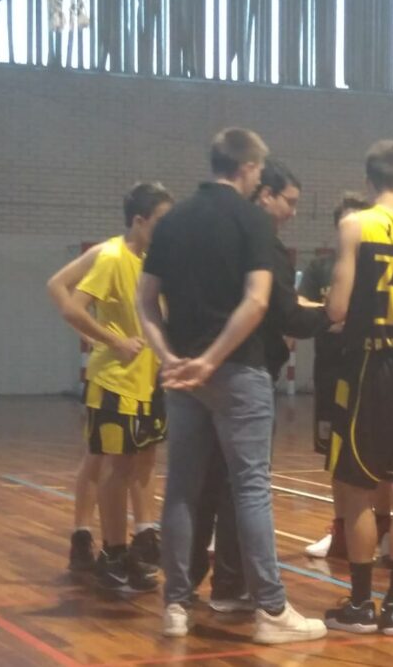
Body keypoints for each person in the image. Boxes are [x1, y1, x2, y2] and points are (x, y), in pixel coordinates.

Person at [138, 127, 326, 644]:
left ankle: (176, 605)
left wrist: (172, 358)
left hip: (182, 374)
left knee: (182, 488)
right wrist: (213, 359)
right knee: (250, 489)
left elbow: (145, 300)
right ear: (248, 167)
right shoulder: (252, 220)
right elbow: (258, 302)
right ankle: (271, 610)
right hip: (238, 370)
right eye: (260, 170)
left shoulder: (172, 220)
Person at [191, 157, 331, 613]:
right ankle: (245, 590)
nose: (293, 211)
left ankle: (184, 587)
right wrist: (331, 315)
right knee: (247, 488)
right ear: (264, 193)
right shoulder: (261, 244)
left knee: (201, 485)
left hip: (197, 372)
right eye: (289, 201)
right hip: (243, 374)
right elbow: (283, 314)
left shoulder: (201, 233)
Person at [323, 140, 393, 636]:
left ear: (369, 181)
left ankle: (360, 603)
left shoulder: (356, 225)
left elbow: (337, 308)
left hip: (372, 363)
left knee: (358, 489)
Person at [47, 182, 173, 593]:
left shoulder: (152, 261)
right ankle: (109, 549)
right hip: (115, 380)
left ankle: (139, 538)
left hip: (148, 380)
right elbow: (68, 302)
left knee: (140, 463)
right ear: (139, 220)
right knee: (107, 465)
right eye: (162, 221)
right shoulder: (111, 255)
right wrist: (109, 339)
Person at [300, 192, 393, 561]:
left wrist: (342, 316)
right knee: (335, 457)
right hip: (329, 371)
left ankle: (382, 526)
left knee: (377, 456)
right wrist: (330, 312)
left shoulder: (381, 265)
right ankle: (340, 530)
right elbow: (301, 303)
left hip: (370, 370)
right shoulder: (320, 268)